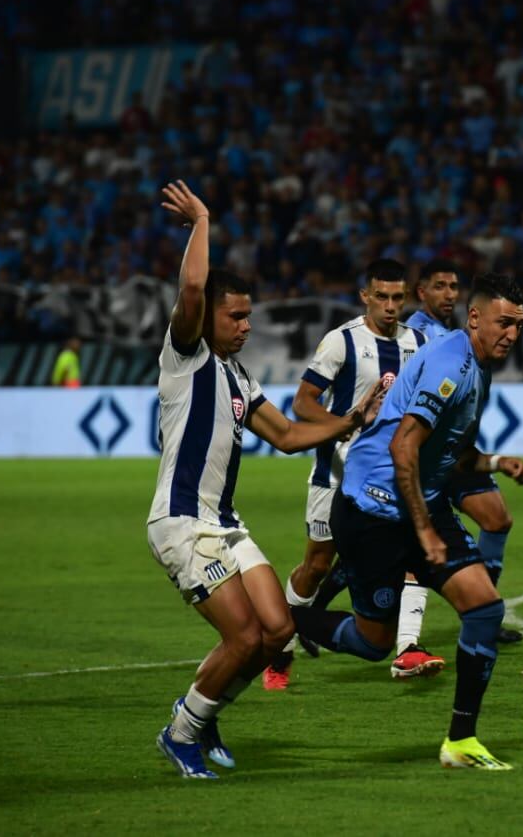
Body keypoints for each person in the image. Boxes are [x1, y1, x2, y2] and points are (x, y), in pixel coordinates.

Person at [147, 180, 385, 779]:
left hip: (225, 525)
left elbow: (285, 435)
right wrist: (202, 217)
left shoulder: (236, 376)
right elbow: (194, 286)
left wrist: (350, 419)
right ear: (208, 318)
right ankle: (182, 733)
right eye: (237, 316)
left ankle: (203, 713)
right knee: (245, 636)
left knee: (277, 631)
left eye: (250, 315)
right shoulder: (186, 355)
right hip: (182, 524)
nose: (247, 325)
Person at [289, 273, 523, 770]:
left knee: (484, 607)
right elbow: (403, 445)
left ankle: (461, 742)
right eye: (504, 322)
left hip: (420, 498)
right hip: (373, 510)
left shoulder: (478, 367)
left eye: (519, 325)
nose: (511, 334)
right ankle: (283, 618)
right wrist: (423, 531)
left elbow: (448, 453)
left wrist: (494, 463)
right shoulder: (452, 365)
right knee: (372, 644)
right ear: (475, 318)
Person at [264, 259, 440, 690]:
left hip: (389, 476)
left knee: (414, 559)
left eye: (398, 297)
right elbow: (303, 403)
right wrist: (343, 424)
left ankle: (407, 648)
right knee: (316, 565)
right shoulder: (341, 341)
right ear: (366, 297)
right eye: (382, 296)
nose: (391, 306)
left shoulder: (419, 342)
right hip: (336, 472)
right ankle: (279, 650)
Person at [403, 259, 523, 644]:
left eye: (454, 286)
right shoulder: (424, 338)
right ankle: (408, 641)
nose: (448, 294)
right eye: (439, 286)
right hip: (418, 457)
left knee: (497, 518)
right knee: (409, 541)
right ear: (421, 292)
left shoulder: (470, 346)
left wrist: (495, 462)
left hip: (451, 453)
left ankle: (481, 608)